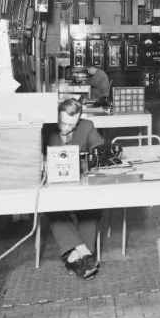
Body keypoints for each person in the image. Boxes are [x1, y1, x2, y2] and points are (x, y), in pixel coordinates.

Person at [46, 98, 103, 279]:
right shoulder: (46, 129)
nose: (67, 128)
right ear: (56, 116)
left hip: (79, 185)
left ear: (78, 120)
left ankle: (75, 258)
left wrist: (88, 161)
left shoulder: (87, 126)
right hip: (53, 188)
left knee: (92, 206)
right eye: (63, 122)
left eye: (72, 124)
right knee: (51, 207)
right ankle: (85, 253)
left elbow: (99, 151)